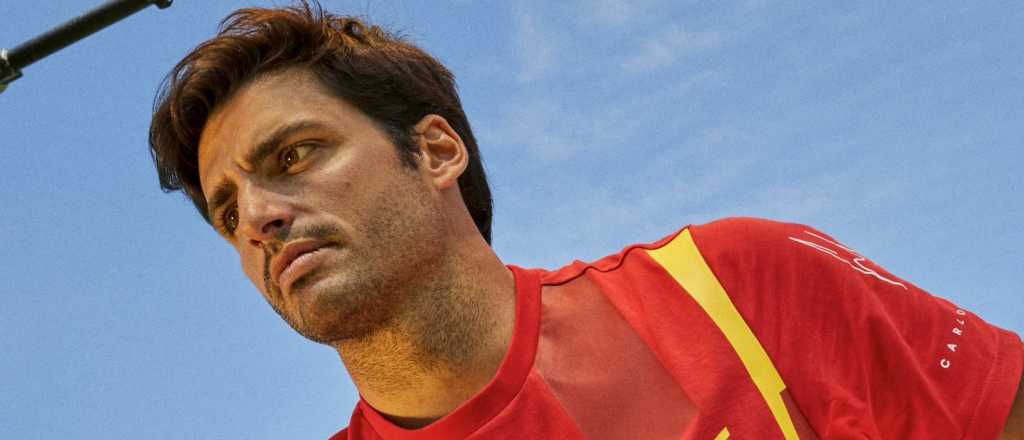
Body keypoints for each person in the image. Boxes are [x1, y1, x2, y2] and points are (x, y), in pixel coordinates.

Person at [148, 2, 1023, 439]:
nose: (258, 216)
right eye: (226, 208)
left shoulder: (736, 287)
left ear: (438, 151)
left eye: (294, 155)